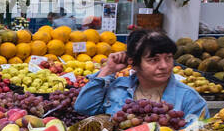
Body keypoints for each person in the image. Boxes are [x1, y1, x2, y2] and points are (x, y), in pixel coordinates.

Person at [75, 28, 207, 120]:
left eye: (168, 58)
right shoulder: (117, 88)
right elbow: (83, 107)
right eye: (154, 60)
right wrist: (108, 70)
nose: (164, 66)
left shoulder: (190, 99)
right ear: (134, 62)